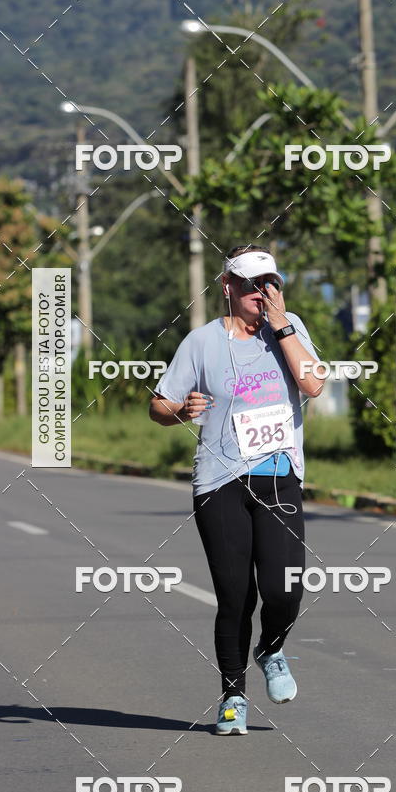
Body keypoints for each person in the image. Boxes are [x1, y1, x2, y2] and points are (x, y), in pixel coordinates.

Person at [149, 244, 323, 735]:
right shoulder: (201, 342)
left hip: (278, 474)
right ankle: (232, 697)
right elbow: (158, 405)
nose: (261, 293)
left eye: (270, 284)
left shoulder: (290, 329)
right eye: (251, 285)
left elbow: (313, 386)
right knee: (235, 596)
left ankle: (271, 648)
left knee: (284, 587)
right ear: (228, 286)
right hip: (219, 482)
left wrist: (283, 325)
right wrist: (181, 411)